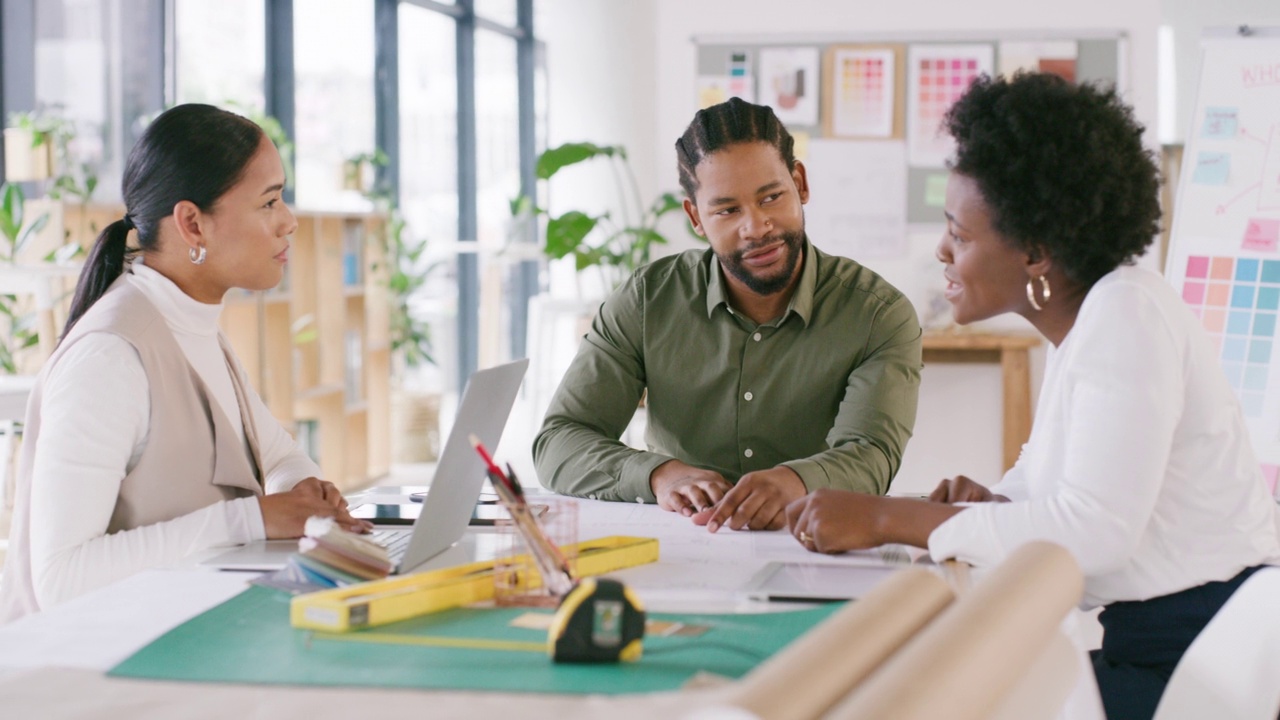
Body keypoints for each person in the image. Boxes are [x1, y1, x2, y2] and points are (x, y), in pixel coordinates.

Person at [784, 73, 1280, 719]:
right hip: (1168, 643)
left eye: (959, 234)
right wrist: (997, 503)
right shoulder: (1094, 321)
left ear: (1036, 253)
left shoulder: (1124, 315)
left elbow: (1096, 531)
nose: (941, 249)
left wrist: (887, 517)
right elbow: (1071, 494)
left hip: (1190, 661)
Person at [0, 104, 371, 623]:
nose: (289, 221)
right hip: (86, 675)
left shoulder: (195, 326)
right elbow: (61, 578)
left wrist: (303, 495)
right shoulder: (110, 357)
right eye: (268, 202)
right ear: (192, 224)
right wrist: (252, 519)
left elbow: (282, 457)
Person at [534, 97, 922, 533]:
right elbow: (559, 441)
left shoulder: (878, 314)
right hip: (680, 544)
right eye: (727, 210)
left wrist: (795, 481)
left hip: (811, 544)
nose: (756, 228)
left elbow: (871, 454)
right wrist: (659, 475)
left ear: (800, 183)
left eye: (771, 197)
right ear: (696, 217)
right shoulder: (646, 301)